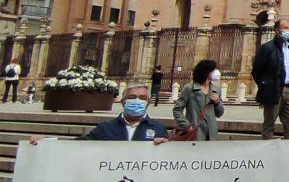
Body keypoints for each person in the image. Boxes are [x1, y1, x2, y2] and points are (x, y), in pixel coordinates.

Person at [32, 85, 168, 144]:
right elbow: (77, 145)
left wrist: (166, 146)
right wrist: (47, 142)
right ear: (123, 102)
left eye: (142, 98)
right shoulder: (106, 128)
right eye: (132, 97)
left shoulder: (159, 129)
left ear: (149, 103)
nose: (137, 101)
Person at [252, 19, 289, 140]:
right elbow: (256, 71)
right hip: (273, 89)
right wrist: (266, 86)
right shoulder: (266, 48)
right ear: (277, 30)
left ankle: (287, 149)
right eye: (285, 28)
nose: (288, 31)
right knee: (269, 123)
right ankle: (268, 149)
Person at [172, 60, 225, 141]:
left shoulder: (216, 89)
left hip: (211, 134)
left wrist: (217, 102)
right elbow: (177, 110)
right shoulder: (189, 88)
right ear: (205, 72)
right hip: (195, 132)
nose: (216, 72)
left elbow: (219, 114)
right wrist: (186, 125)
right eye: (213, 70)